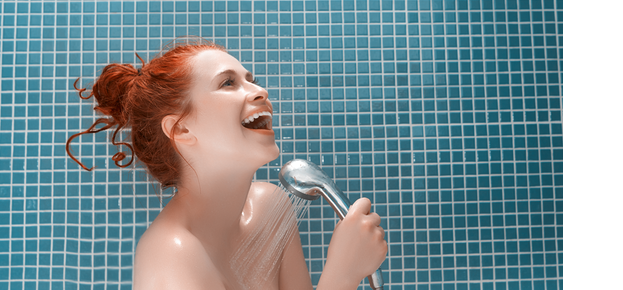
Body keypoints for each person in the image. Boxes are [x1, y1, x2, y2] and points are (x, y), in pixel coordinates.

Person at [66, 37, 387, 290]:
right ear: (181, 129)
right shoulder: (172, 256)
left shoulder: (270, 207)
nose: (261, 90)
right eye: (228, 83)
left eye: (251, 79)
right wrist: (342, 276)